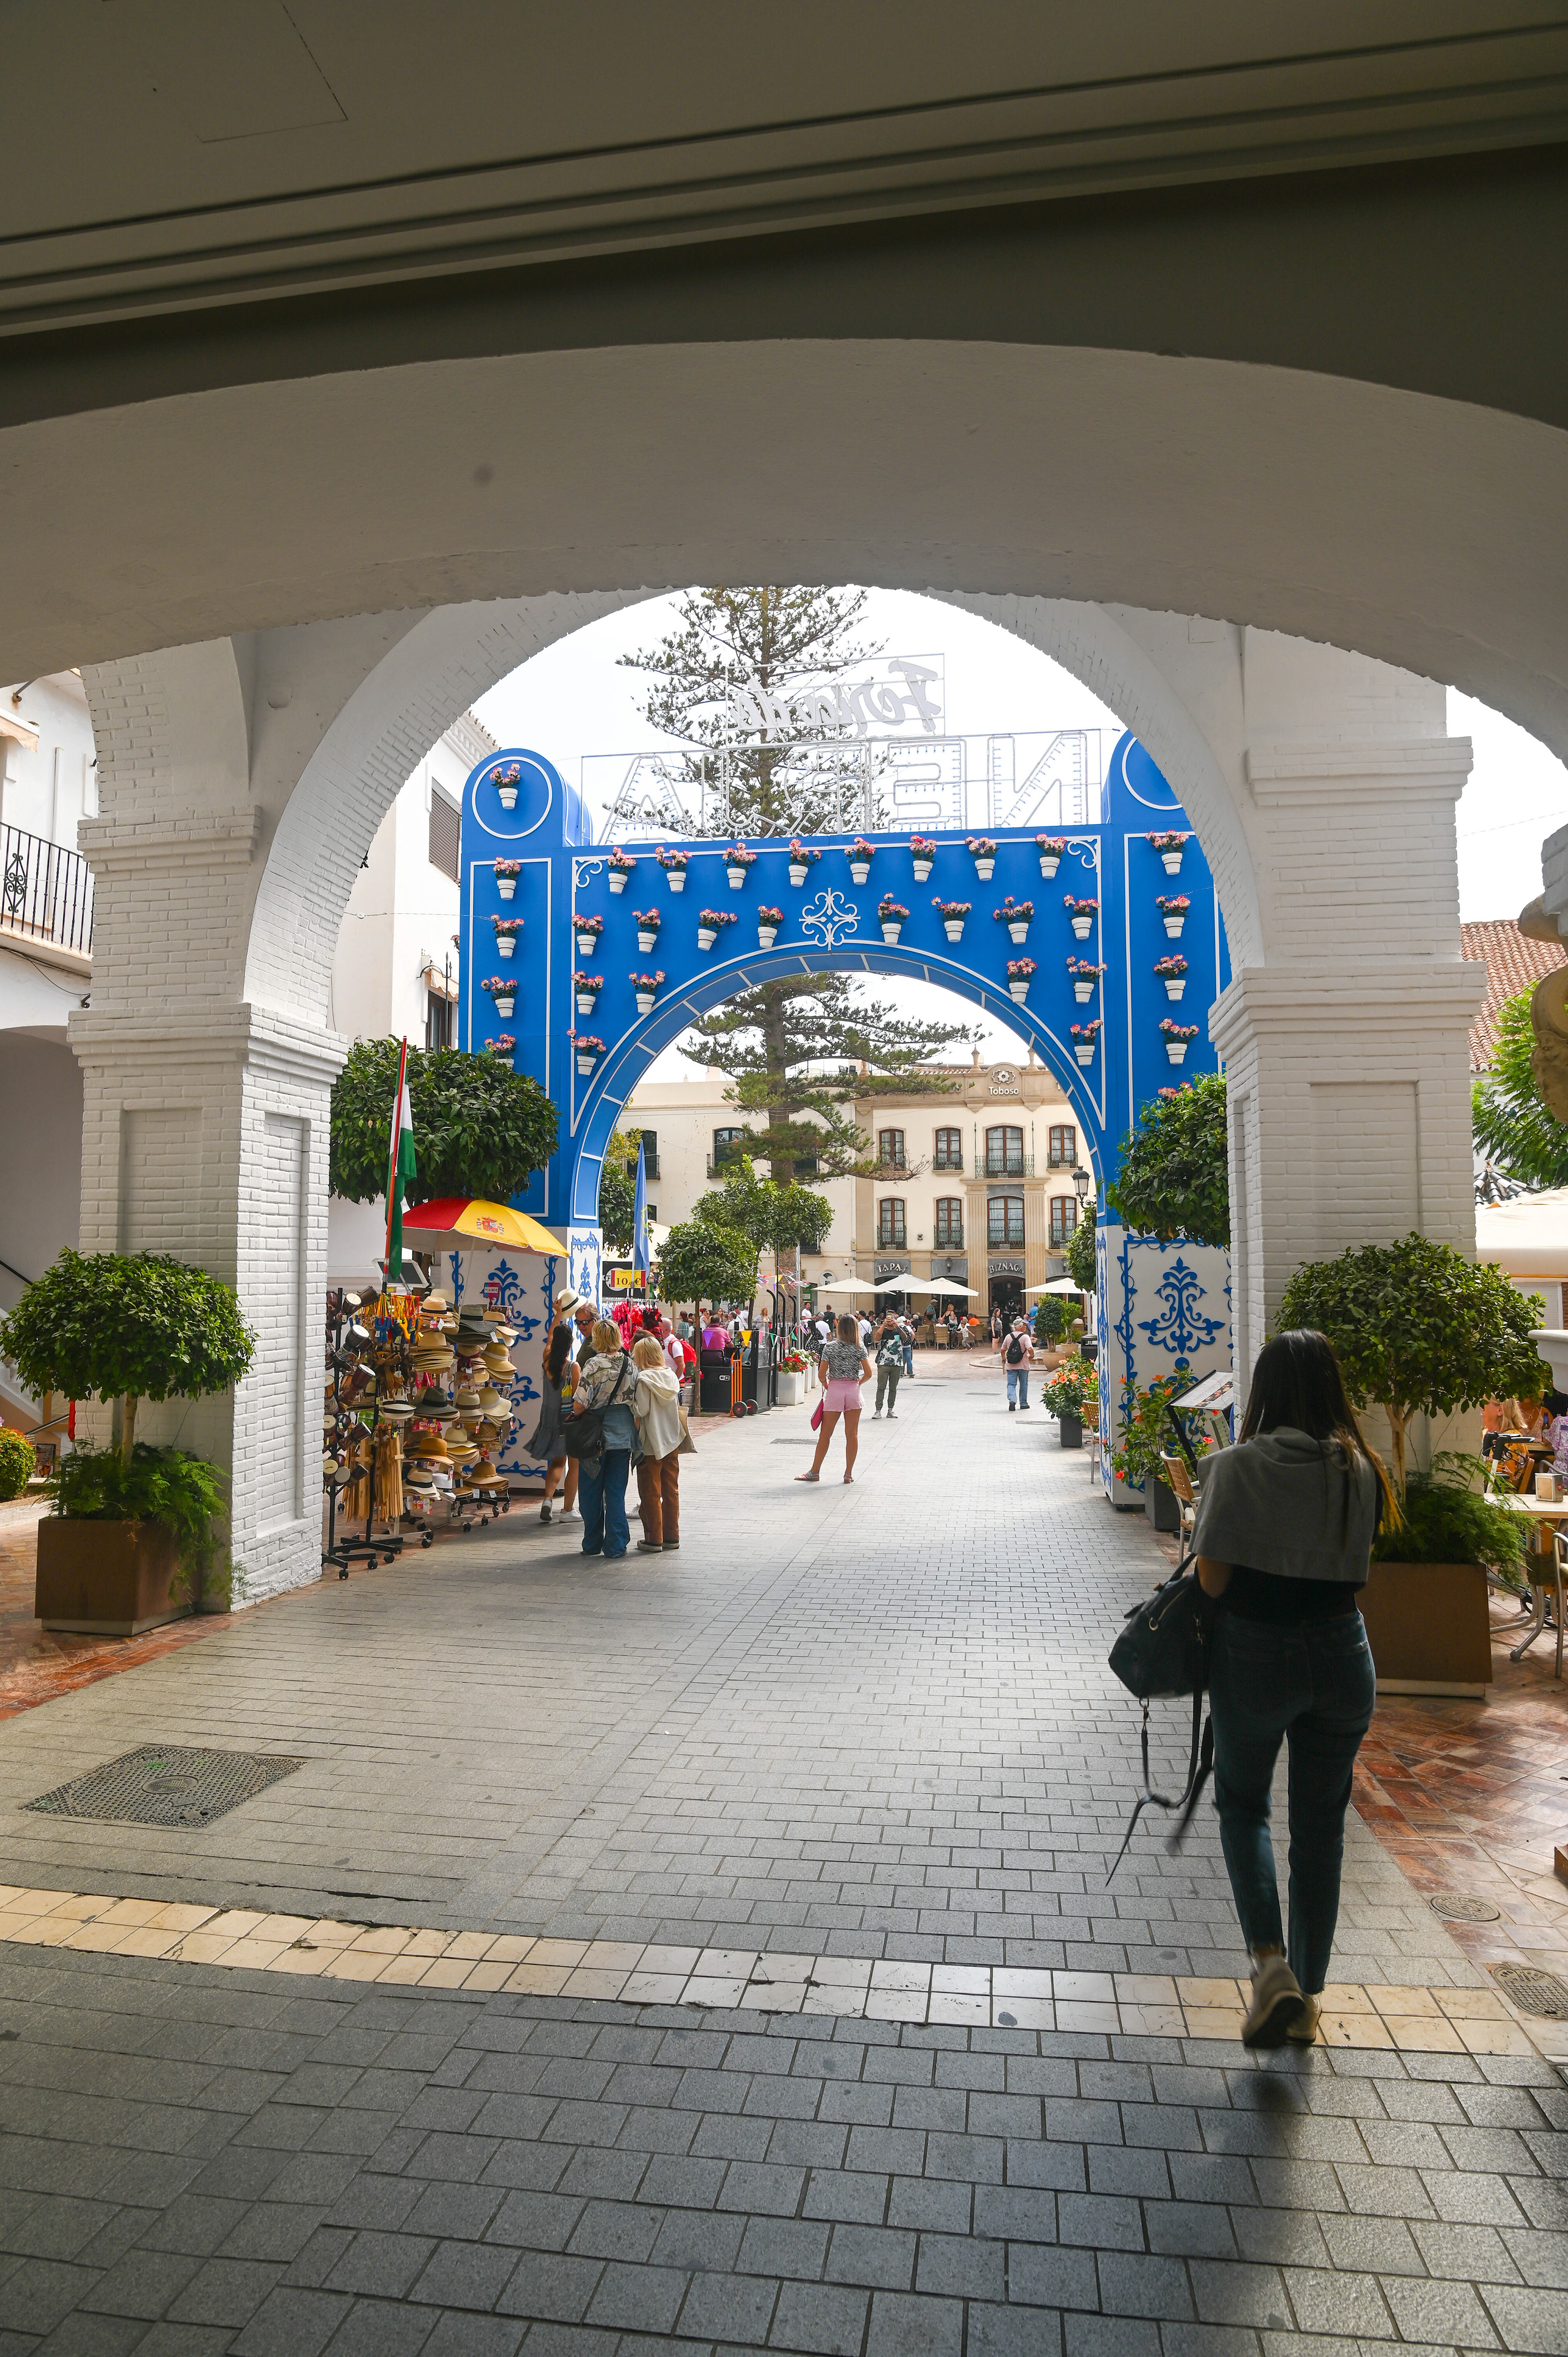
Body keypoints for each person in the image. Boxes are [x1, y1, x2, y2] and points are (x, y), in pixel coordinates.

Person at [1192, 1328, 1392, 2049]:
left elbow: (1211, 1581)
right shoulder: (1361, 1469)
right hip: (1343, 1653)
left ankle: (1269, 1966)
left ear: (1265, 1388)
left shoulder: (1235, 1467)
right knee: (1321, 1831)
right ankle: (1306, 1995)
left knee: (1243, 1807)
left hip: (1256, 1653)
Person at [568, 1317, 637, 1558]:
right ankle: (616, 1545)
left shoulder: (593, 1364)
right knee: (616, 1493)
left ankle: (592, 1543)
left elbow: (579, 1406)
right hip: (623, 1437)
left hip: (594, 1439)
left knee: (590, 1491)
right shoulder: (630, 1365)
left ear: (596, 1338)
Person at [797, 1313, 872, 1484]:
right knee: (852, 1435)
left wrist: (827, 1385)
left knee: (825, 1435)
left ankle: (814, 1472)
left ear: (839, 1329)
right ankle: (848, 1474)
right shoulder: (860, 1348)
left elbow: (822, 1374)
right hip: (853, 1390)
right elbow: (868, 1373)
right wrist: (857, 1383)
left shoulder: (830, 1347)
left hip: (835, 1390)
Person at [630, 1333, 683, 1552]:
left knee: (651, 1491)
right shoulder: (671, 1376)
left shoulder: (643, 1380)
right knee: (671, 1489)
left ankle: (654, 1538)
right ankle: (673, 1536)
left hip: (651, 1442)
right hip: (672, 1440)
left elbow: (641, 1410)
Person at [526, 1318, 580, 1523]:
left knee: (557, 1462)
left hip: (548, 1418)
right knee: (574, 1465)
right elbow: (578, 1396)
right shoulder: (573, 1367)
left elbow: (549, 1337)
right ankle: (567, 1510)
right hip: (567, 1420)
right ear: (570, 1344)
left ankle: (548, 1500)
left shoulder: (547, 1359)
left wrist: (558, 1313)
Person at [872, 1313, 904, 1419]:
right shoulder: (883, 1331)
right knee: (881, 1387)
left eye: (892, 1319)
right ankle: (878, 1410)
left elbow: (906, 1338)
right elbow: (877, 1338)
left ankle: (891, 1409)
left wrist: (897, 1326)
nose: (890, 1321)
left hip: (896, 1363)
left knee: (893, 1388)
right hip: (883, 1363)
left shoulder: (898, 1330)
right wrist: (884, 1325)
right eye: (888, 1319)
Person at [1003, 1316, 1033, 1410]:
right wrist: (1032, 1356)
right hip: (1023, 1364)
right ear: (1020, 1326)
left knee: (1011, 1384)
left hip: (1011, 1365)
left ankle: (1012, 1399)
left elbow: (1003, 1350)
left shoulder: (1009, 1336)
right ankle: (1023, 1404)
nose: (1025, 1327)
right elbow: (1030, 1349)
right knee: (1024, 1384)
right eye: (1024, 1325)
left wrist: (1004, 1359)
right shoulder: (1025, 1337)